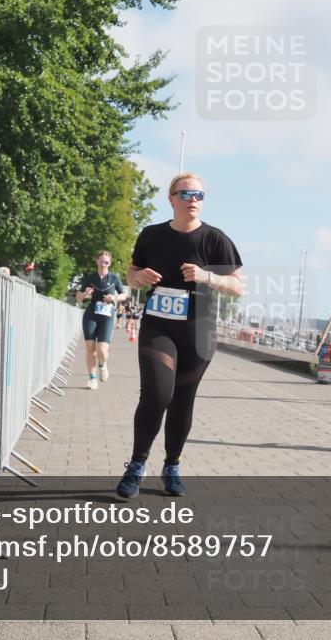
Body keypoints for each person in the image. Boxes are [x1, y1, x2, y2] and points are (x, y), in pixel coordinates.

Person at [116, 172, 244, 499]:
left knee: (183, 400)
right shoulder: (152, 235)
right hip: (159, 325)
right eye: (186, 194)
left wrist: (208, 277)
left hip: (198, 332)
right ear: (171, 198)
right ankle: (136, 465)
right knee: (157, 394)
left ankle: (172, 465)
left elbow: (238, 286)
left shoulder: (215, 239)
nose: (193, 200)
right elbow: (131, 274)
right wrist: (138, 276)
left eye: (199, 195)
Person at [76, 251, 127, 390]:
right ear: (97, 261)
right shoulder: (90, 277)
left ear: (109, 263)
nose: (103, 264)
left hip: (107, 314)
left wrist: (114, 298)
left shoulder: (114, 278)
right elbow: (78, 298)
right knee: (90, 348)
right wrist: (85, 293)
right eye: (101, 261)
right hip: (91, 313)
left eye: (106, 262)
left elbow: (123, 294)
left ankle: (102, 364)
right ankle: (93, 379)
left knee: (102, 350)